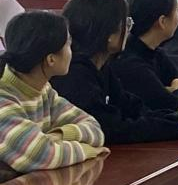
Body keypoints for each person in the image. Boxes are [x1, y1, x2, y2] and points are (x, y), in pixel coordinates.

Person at [51, 0, 178, 145]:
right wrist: (176, 125)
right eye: (126, 23)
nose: (128, 30)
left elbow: (131, 106)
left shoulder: (101, 67)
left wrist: (177, 118)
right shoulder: (75, 75)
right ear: (108, 34)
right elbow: (112, 128)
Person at [0, 11, 107, 173]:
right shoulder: (3, 98)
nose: (72, 51)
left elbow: (95, 130)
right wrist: (88, 151)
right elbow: (40, 155)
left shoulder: (43, 90)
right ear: (51, 59)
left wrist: (58, 136)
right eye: (68, 44)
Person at [114, 0, 178, 111]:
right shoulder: (130, 64)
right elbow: (177, 107)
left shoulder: (156, 53)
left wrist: (175, 91)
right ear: (162, 21)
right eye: (177, 10)